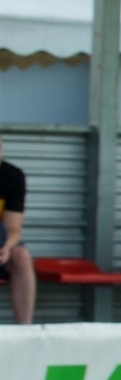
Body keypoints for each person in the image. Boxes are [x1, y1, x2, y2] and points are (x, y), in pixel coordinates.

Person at [0, 135, 35, 325]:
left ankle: (25, 330)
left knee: (21, 255)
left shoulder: (12, 176)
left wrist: (6, 248)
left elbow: (13, 228)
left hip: (1, 239)